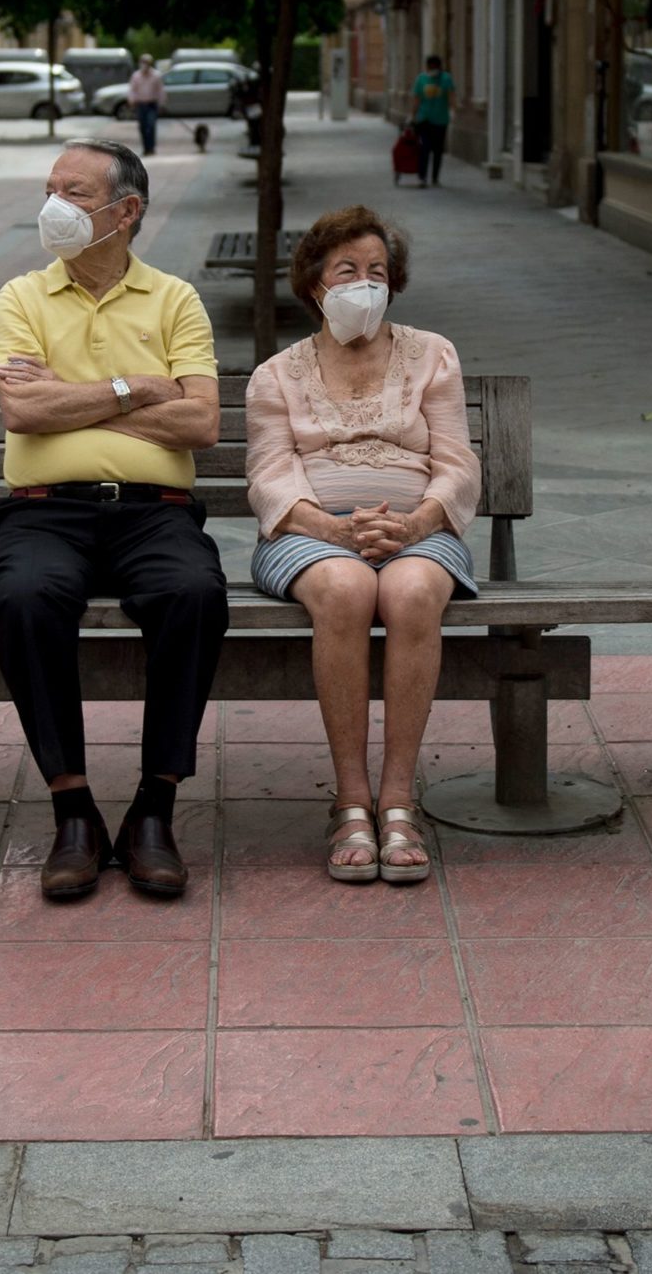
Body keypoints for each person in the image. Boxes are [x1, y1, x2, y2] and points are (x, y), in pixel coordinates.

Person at [0, 140, 227, 902]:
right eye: (50, 188)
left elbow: (202, 426)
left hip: (157, 516)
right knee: (24, 598)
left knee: (194, 593)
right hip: (43, 517)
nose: (54, 206)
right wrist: (139, 388)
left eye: (76, 193)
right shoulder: (21, 296)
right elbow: (22, 408)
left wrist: (77, 405)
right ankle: (73, 808)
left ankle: (155, 808)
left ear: (127, 212)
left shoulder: (175, 299)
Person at [242, 205, 476, 884]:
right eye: (348, 269)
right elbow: (269, 476)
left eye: (377, 271)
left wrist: (416, 523)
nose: (364, 283)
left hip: (418, 529)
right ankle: (350, 800)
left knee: (410, 589)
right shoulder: (276, 375)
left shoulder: (433, 354)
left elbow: (458, 463)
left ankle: (398, 799)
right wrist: (333, 529)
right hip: (306, 532)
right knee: (346, 587)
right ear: (315, 281)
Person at [408, 53, 454, 188]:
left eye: (435, 66)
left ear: (439, 67)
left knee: (438, 150)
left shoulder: (446, 79)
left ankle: (435, 177)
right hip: (424, 120)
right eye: (430, 66)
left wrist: (452, 111)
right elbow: (416, 99)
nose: (432, 68)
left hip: (440, 121)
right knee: (424, 148)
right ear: (427, 66)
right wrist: (413, 115)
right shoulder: (421, 79)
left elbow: (451, 96)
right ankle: (422, 177)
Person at [125, 56, 165, 154]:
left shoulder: (156, 75)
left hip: (152, 104)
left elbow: (160, 90)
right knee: (143, 127)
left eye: (147, 62)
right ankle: (146, 148)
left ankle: (151, 148)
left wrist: (162, 103)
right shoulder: (136, 76)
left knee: (150, 126)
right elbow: (132, 90)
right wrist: (131, 100)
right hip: (141, 104)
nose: (144, 64)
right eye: (143, 62)